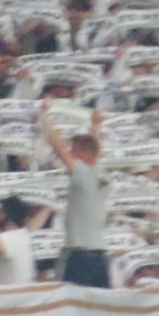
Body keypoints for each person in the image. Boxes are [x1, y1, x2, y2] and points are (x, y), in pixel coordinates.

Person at [43, 108, 109, 287]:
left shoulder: (82, 173)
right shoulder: (99, 172)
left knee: (67, 308)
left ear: (81, 154)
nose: (70, 153)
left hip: (79, 258)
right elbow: (94, 148)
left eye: (74, 150)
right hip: (100, 258)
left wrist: (45, 115)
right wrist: (95, 125)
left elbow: (58, 147)